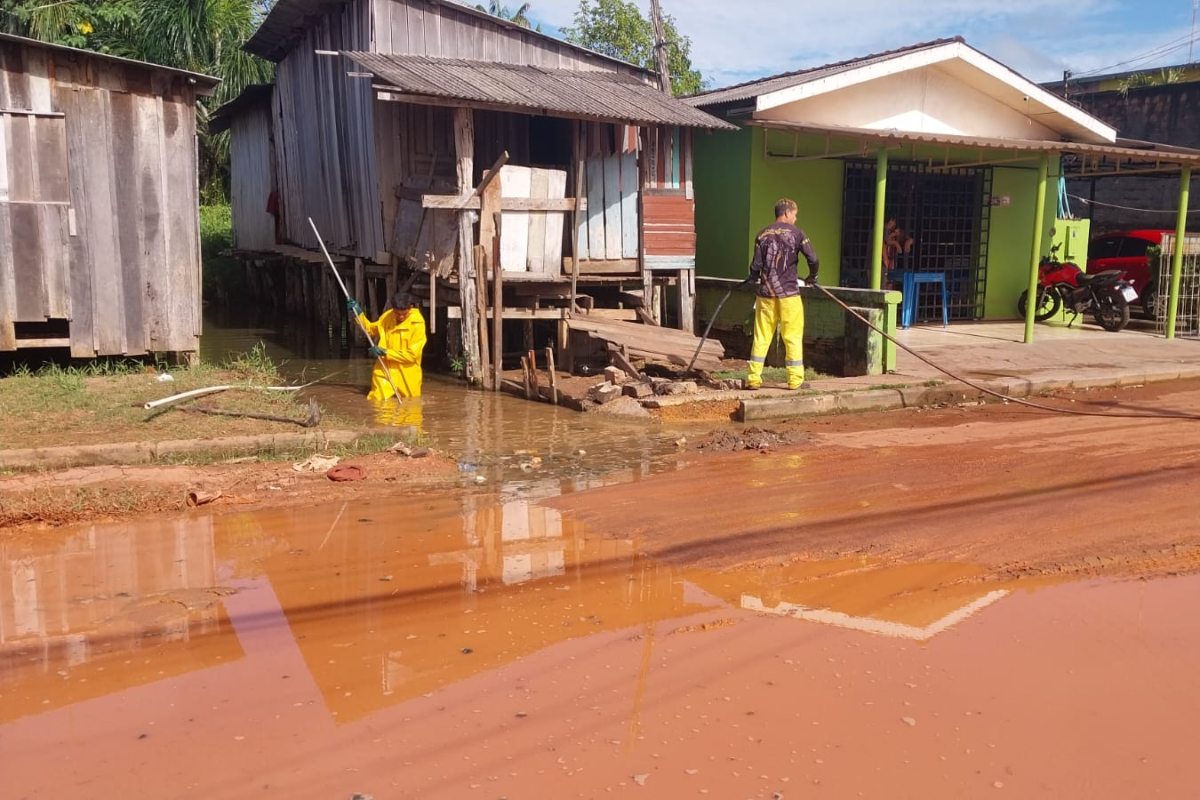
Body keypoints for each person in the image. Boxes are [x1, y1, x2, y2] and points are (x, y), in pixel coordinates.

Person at [747, 198, 819, 391]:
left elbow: (755, 265)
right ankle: (795, 380)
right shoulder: (797, 233)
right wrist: (813, 277)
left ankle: (753, 378)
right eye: (795, 215)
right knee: (792, 337)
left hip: (765, 295)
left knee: (761, 336)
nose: (795, 219)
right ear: (787, 213)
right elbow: (813, 258)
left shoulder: (762, 234)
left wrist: (753, 277)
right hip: (789, 295)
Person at [347, 292, 427, 401]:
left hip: (407, 372)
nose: (401, 317)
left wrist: (385, 352)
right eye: (397, 313)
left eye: (404, 314)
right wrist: (359, 314)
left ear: (411, 308)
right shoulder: (388, 316)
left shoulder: (418, 324)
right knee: (376, 400)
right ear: (393, 309)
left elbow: (412, 355)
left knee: (411, 403)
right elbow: (370, 329)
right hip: (386, 367)